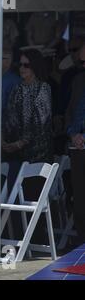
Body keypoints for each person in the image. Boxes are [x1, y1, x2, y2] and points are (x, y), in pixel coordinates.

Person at [3, 49, 53, 192]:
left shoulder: (43, 88)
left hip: (37, 154)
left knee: (32, 196)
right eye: (20, 65)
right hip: (17, 153)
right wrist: (5, 142)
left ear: (35, 66)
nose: (22, 68)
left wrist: (20, 143)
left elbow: (41, 124)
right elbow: (9, 118)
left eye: (26, 65)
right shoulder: (17, 89)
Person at [65, 45, 85, 244]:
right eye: (82, 62)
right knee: (79, 198)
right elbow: (70, 111)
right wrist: (73, 134)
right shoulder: (79, 80)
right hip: (78, 147)